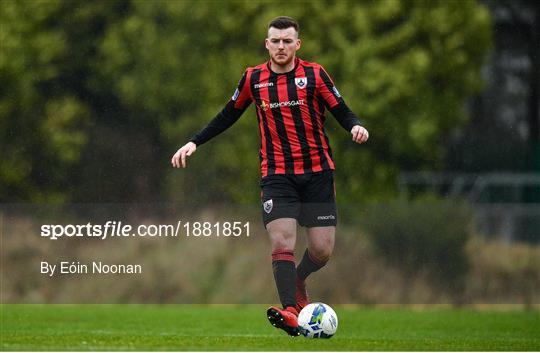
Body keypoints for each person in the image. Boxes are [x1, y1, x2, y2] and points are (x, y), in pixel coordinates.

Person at [171, 16, 368, 336]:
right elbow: (227, 115)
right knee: (282, 240)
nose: (280, 46)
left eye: (287, 41)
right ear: (267, 44)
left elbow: (341, 108)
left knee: (321, 251)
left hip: (317, 172)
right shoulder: (253, 79)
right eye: (275, 41)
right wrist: (194, 142)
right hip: (277, 175)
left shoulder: (314, 74)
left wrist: (355, 126)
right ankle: (291, 311)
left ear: (297, 45)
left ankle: (299, 278)